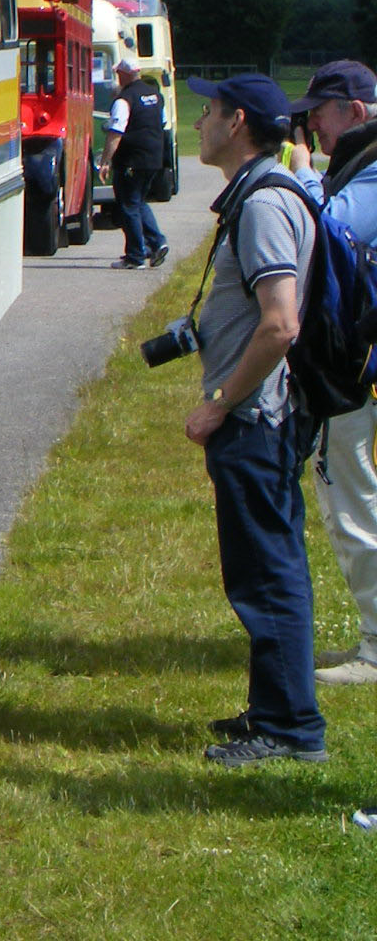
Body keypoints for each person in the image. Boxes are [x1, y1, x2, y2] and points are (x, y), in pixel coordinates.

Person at [183, 72, 325, 766]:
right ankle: (274, 709)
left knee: (267, 576)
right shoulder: (266, 192)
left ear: (237, 122)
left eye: (208, 111)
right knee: (268, 567)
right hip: (266, 415)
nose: (200, 122)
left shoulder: (265, 204)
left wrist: (221, 403)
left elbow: (279, 325)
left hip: (257, 419)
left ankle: (290, 731)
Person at [285, 61, 377, 691]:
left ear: (358, 112)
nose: (312, 121)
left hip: (359, 368)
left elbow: (331, 230)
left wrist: (303, 175)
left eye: (322, 109)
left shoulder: (372, 168)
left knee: (355, 499)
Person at [103, 56, 171, 269]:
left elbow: (116, 133)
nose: (117, 76)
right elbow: (162, 123)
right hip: (154, 158)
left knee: (129, 206)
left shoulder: (124, 100)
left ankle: (135, 256)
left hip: (131, 160)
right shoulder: (155, 95)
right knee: (138, 202)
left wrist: (105, 161)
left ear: (124, 74)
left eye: (118, 73)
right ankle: (157, 243)